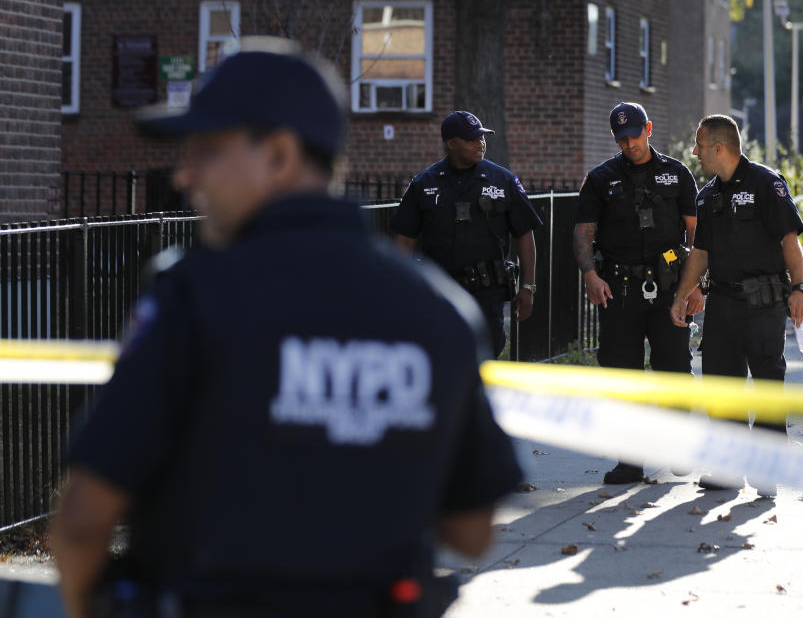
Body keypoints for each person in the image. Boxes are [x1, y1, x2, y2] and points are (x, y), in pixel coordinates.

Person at [51, 42, 523, 618]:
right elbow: (473, 531)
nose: (185, 172)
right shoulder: (439, 312)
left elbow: (83, 518)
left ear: (278, 153)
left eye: (207, 149)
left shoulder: (193, 297)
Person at [669, 114, 803, 496]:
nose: (695, 152)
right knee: (720, 387)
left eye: (700, 145)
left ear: (719, 148)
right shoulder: (707, 195)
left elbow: (789, 241)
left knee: (766, 384)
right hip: (723, 305)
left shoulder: (767, 183)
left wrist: (799, 287)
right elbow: (700, 253)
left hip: (763, 303)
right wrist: (684, 294)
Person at [573, 102, 703, 485]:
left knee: (675, 371)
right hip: (619, 291)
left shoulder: (677, 175)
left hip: (669, 291)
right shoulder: (600, 179)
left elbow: (698, 237)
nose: (629, 144)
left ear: (649, 128)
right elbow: (583, 233)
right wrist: (590, 275)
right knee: (621, 375)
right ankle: (629, 461)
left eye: (634, 135)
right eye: (621, 138)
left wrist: (695, 287)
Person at [391, 111, 542, 357]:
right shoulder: (424, 184)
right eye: (472, 139)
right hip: (438, 292)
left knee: (484, 360)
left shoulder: (502, 181)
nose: (480, 143)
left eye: (482, 137)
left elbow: (524, 234)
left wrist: (528, 286)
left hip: (486, 294)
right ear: (451, 143)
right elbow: (404, 240)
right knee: (440, 359)